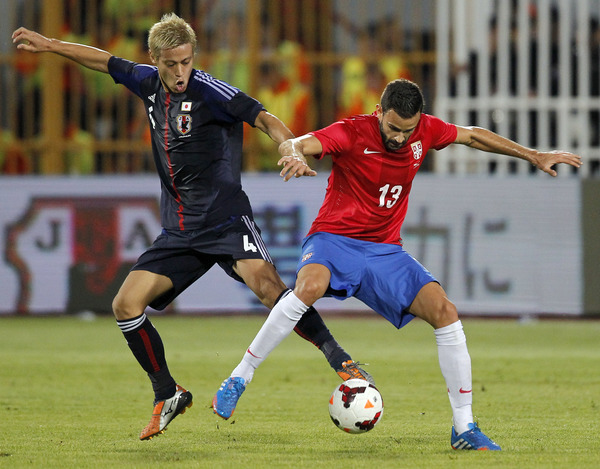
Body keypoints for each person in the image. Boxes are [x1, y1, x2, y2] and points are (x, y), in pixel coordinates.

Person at [12, 13, 373, 441]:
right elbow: (104, 61)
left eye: (186, 61)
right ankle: (167, 393)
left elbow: (264, 118)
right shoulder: (146, 83)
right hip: (180, 231)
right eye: (171, 64)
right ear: (154, 60)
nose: (180, 71)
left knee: (271, 291)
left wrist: (291, 148)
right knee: (125, 306)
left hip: (226, 221)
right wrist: (51, 45)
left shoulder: (212, 92)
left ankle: (341, 360)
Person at [212, 78, 583, 450]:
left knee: (445, 312)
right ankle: (239, 377)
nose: (400, 138)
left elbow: (472, 136)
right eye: (393, 128)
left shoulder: (425, 130)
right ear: (379, 112)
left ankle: (464, 427)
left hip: (385, 251)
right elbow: (300, 142)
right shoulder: (351, 132)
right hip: (333, 240)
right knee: (307, 288)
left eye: (408, 130)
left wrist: (533, 155)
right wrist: (293, 152)